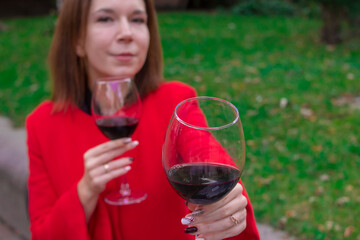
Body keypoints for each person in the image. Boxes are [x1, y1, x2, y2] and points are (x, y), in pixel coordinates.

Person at [26, 0, 260, 239]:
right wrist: (85, 191)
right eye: (106, 19)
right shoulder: (42, 124)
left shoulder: (176, 101)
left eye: (137, 20)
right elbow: (43, 233)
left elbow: (209, 157)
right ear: (76, 40)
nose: (127, 33)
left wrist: (229, 206)